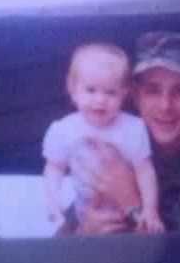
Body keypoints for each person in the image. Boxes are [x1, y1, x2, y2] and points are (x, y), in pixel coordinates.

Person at [61, 31, 180, 234]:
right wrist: (85, 234)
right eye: (153, 90)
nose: (165, 105)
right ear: (136, 96)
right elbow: (59, 252)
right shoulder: (121, 149)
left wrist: (132, 204)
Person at [42, 43, 165, 233]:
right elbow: (54, 168)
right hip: (85, 219)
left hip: (129, 220)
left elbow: (145, 171)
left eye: (110, 92)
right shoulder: (63, 130)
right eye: (91, 90)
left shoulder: (133, 128)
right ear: (72, 89)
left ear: (124, 93)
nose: (100, 100)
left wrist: (150, 210)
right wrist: (53, 202)